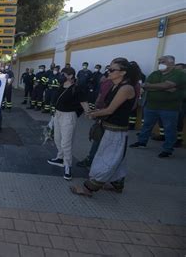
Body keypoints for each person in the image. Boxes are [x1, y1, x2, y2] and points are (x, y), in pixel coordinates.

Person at [71, 58, 140, 196]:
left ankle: (88, 188)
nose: (108, 71)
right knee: (117, 158)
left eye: (112, 70)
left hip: (116, 129)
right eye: (108, 68)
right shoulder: (115, 85)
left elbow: (110, 110)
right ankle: (117, 184)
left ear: (123, 72)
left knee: (106, 159)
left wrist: (92, 114)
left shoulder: (126, 88)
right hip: (108, 126)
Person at [130, 55, 186, 158]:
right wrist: (162, 87)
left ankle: (167, 149)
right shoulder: (155, 73)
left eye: (163, 61)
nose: (160, 63)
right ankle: (142, 142)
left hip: (170, 108)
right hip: (151, 106)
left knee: (170, 129)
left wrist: (153, 86)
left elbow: (167, 85)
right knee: (146, 125)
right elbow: (146, 85)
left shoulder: (179, 74)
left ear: (171, 63)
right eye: (159, 61)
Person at [47, 67, 89, 180]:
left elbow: (84, 102)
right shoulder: (61, 86)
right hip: (58, 115)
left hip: (69, 117)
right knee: (57, 138)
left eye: (63, 74)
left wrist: (89, 112)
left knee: (66, 143)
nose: (61, 76)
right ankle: (60, 157)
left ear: (71, 76)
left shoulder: (77, 88)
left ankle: (68, 166)